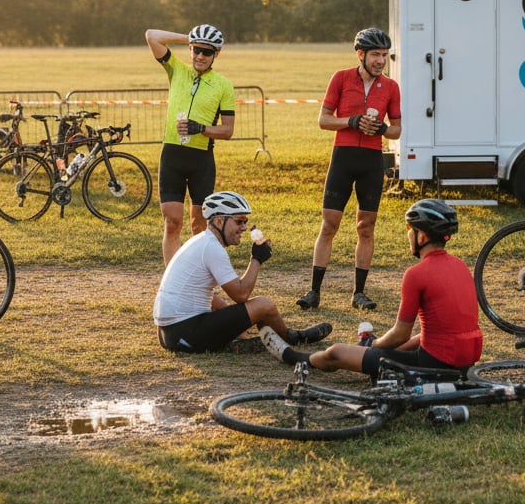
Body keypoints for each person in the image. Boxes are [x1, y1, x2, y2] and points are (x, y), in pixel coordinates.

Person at [263, 199, 483, 378]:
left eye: (410, 228)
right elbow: (444, 330)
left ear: (422, 236)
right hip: (466, 364)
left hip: (434, 364)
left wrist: (372, 344)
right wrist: (383, 349)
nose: (408, 234)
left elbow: (400, 335)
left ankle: (295, 357)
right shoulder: (461, 266)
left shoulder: (416, 274)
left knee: (336, 352)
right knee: (399, 346)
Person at [297, 27, 402, 312]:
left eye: (385, 55)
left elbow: (397, 130)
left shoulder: (391, 87)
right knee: (329, 224)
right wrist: (351, 121)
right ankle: (314, 291)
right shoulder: (341, 78)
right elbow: (323, 120)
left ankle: (359, 293)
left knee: (366, 227)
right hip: (343, 158)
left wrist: (382, 128)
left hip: (371, 161)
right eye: (376, 55)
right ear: (360, 54)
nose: (381, 61)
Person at [153, 191, 331, 353]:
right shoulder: (212, 248)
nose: (244, 228)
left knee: (217, 300)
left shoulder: (201, 241)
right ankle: (292, 338)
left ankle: (239, 341)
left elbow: (212, 298)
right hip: (185, 333)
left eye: (245, 221)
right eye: (239, 221)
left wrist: (238, 325)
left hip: (168, 334)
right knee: (264, 306)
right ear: (219, 221)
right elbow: (241, 295)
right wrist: (256, 259)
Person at [146, 25, 236, 266]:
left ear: (216, 54)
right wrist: (191, 37)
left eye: (207, 52)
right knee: (172, 222)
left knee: (200, 226)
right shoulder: (177, 70)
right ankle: (173, 279)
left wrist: (201, 128)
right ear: (190, 49)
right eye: (196, 50)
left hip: (201, 160)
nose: (200, 56)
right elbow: (152, 36)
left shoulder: (224, 85)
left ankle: (197, 277)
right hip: (172, 156)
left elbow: (227, 130)